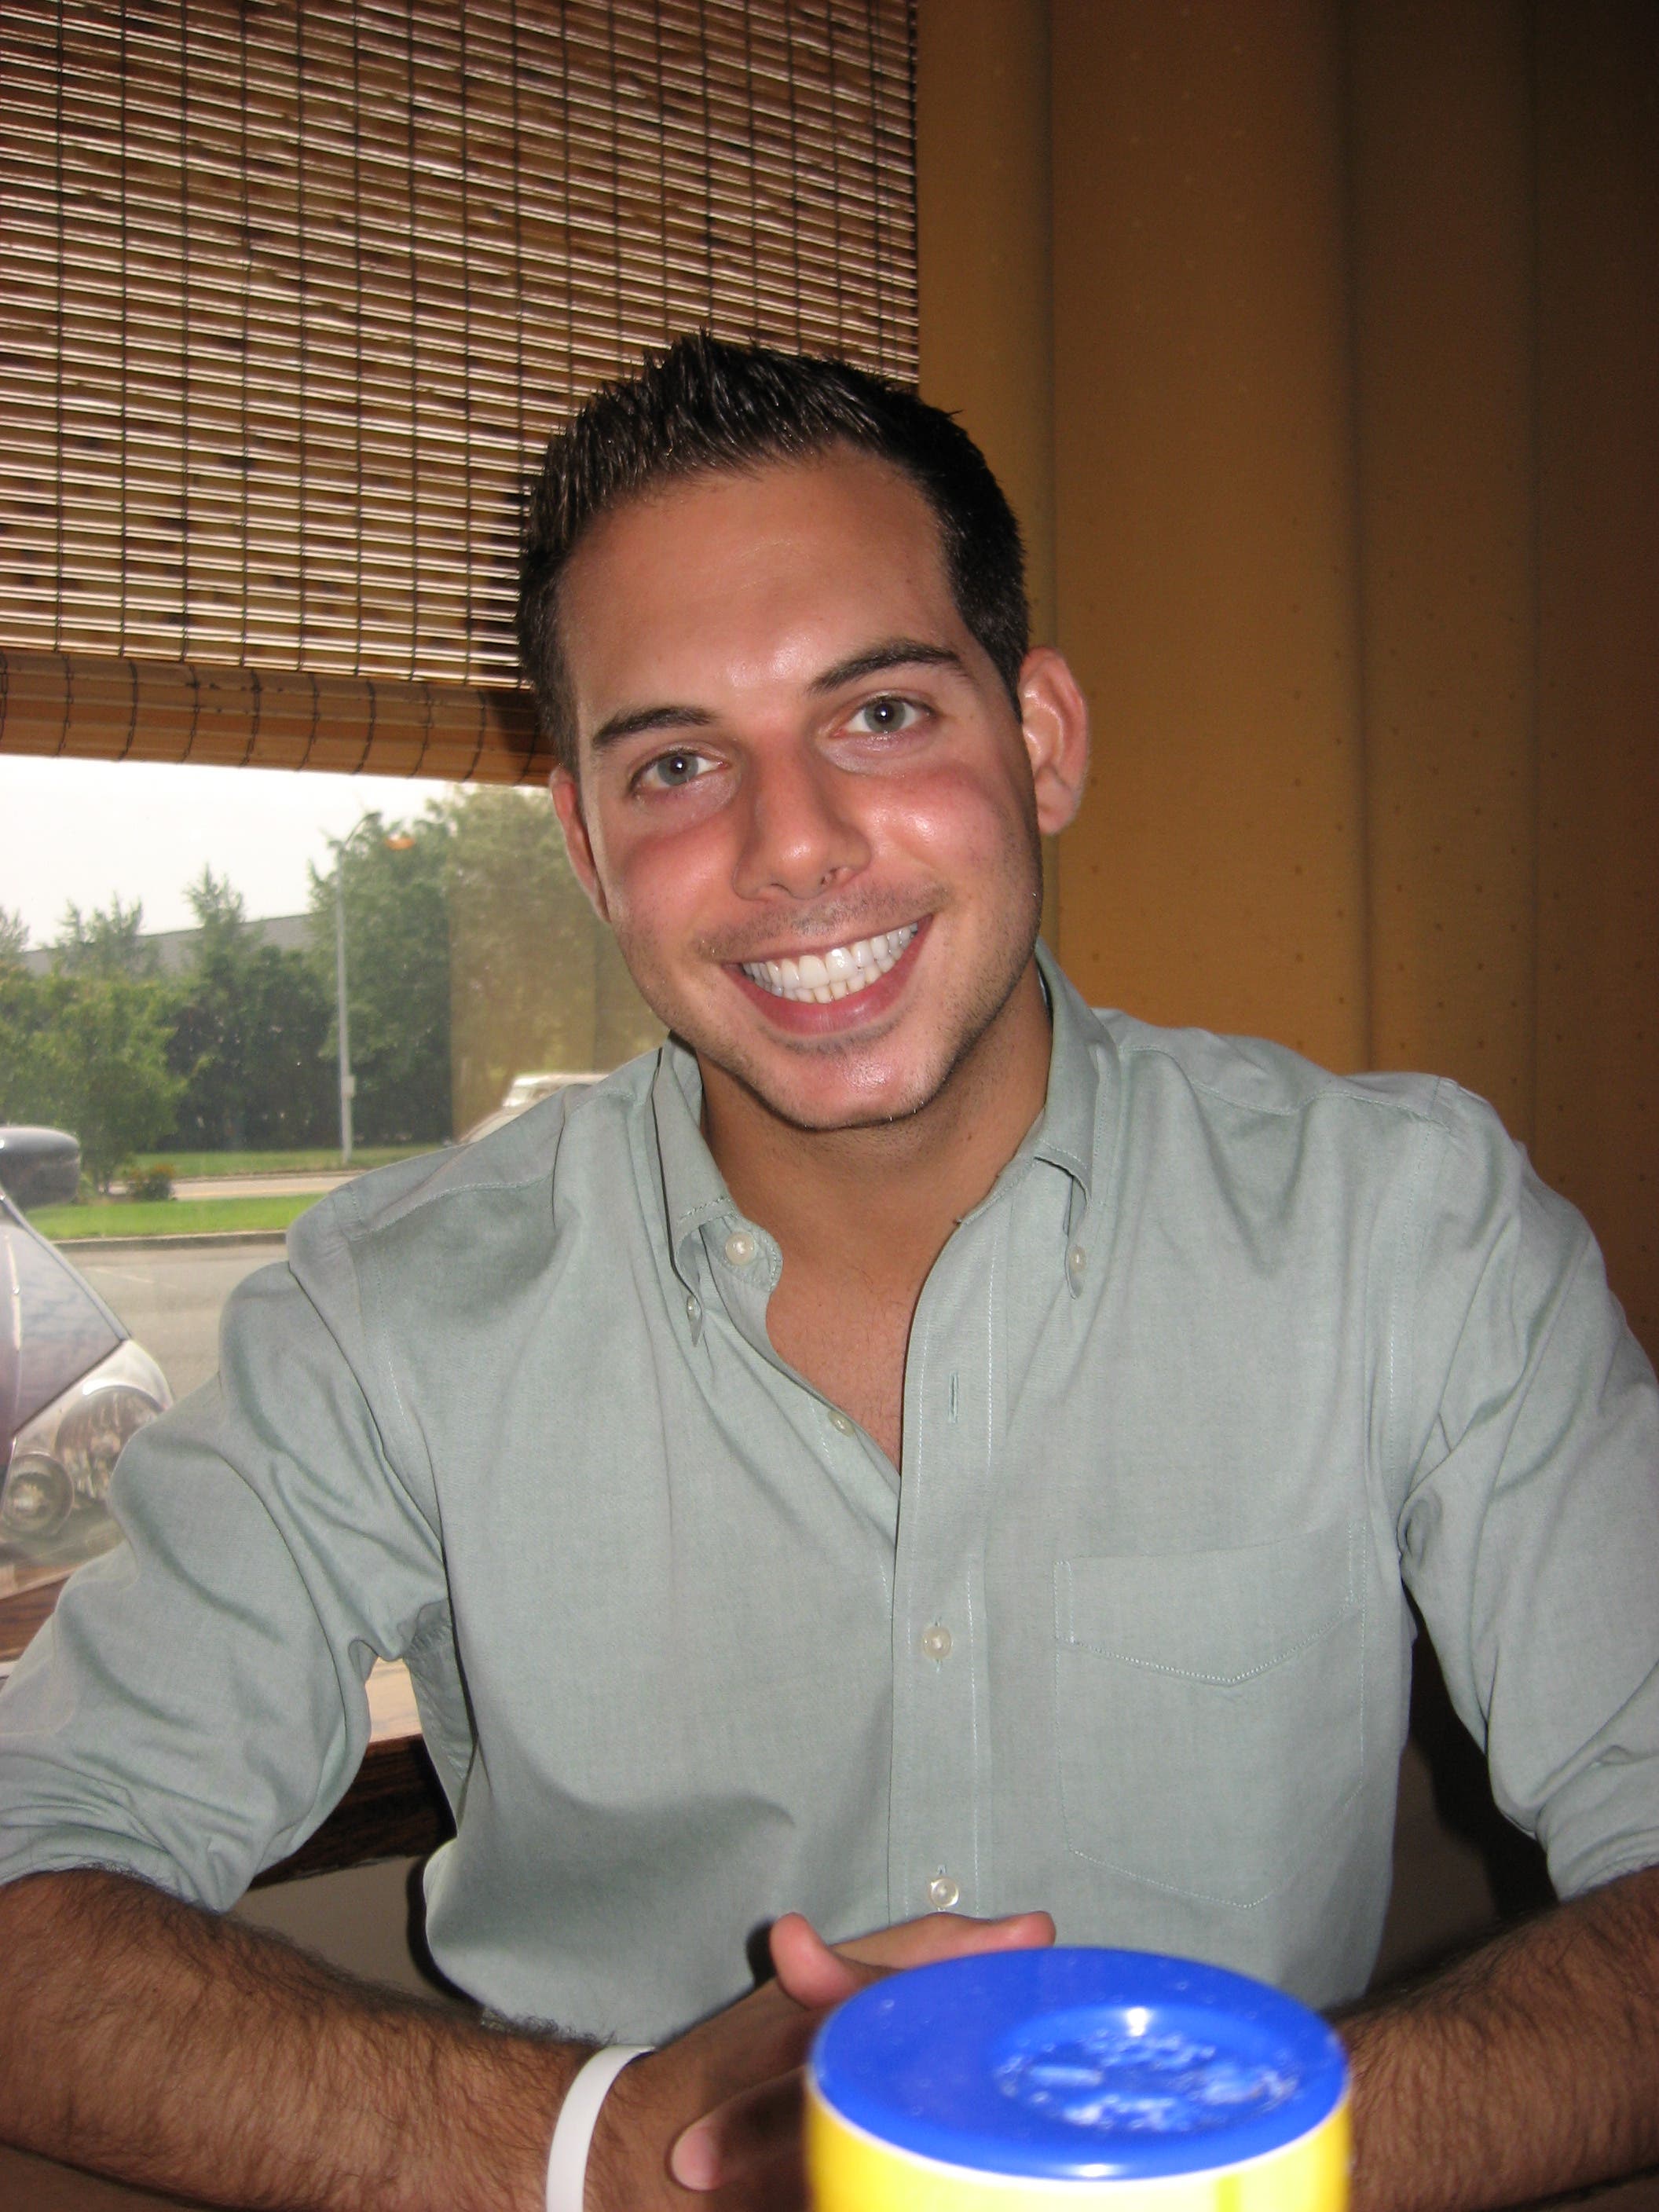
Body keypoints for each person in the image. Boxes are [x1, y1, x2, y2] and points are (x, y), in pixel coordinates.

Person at [2, 333, 1657, 2212]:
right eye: (678, 762)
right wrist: (613, 2147)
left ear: (1041, 740)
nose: (792, 845)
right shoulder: (381, 1318)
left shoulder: (1414, 1229)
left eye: (879, 713)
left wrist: (1210, 2158)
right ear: (589, 846)